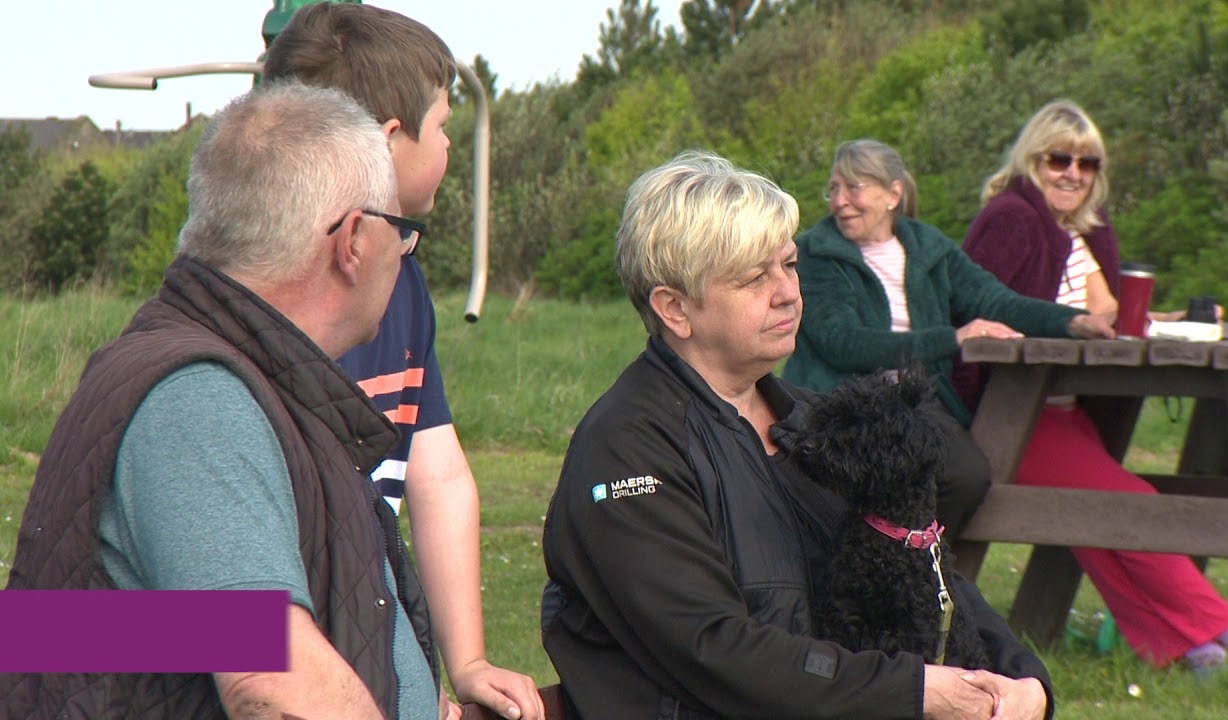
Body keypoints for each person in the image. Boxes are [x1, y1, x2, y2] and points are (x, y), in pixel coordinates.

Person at [541, 150, 1054, 720]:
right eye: (755, 277)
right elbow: (713, 650)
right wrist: (913, 691)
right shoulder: (628, 447)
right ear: (675, 308)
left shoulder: (821, 425)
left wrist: (1023, 678)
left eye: (789, 265)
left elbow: (926, 560)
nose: (786, 291)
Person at [1, 83, 440, 718]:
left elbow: (88, 636)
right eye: (402, 233)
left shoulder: (254, 385)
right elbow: (270, 678)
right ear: (352, 243)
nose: (403, 256)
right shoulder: (196, 400)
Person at [263, 5, 542, 719]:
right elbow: (77, 634)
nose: (450, 143)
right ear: (387, 144)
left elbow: (437, 474)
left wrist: (463, 663)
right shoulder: (213, 367)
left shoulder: (403, 287)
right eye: (444, 125)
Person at [960, 99, 1228, 672]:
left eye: (1088, 163)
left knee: (1102, 531)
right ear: (1033, 160)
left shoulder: (1079, 232)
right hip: (1013, 415)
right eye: (1059, 159)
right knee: (1133, 507)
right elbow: (980, 309)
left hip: (1065, 411)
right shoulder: (1012, 219)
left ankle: (1198, 656)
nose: (1073, 172)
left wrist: (1169, 323)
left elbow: (1107, 319)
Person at [781, 139, 1114, 534]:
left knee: (967, 477)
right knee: (870, 477)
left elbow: (996, 301)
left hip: (913, 400)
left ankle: (921, 565)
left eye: (853, 187)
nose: (839, 201)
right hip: (841, 399)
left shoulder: (929, 249)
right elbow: (843, 342)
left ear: (893, 194)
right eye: (833, 189)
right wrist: (952, 338)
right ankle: (869, 564)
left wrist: (1072, 322)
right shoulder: (816, 254)